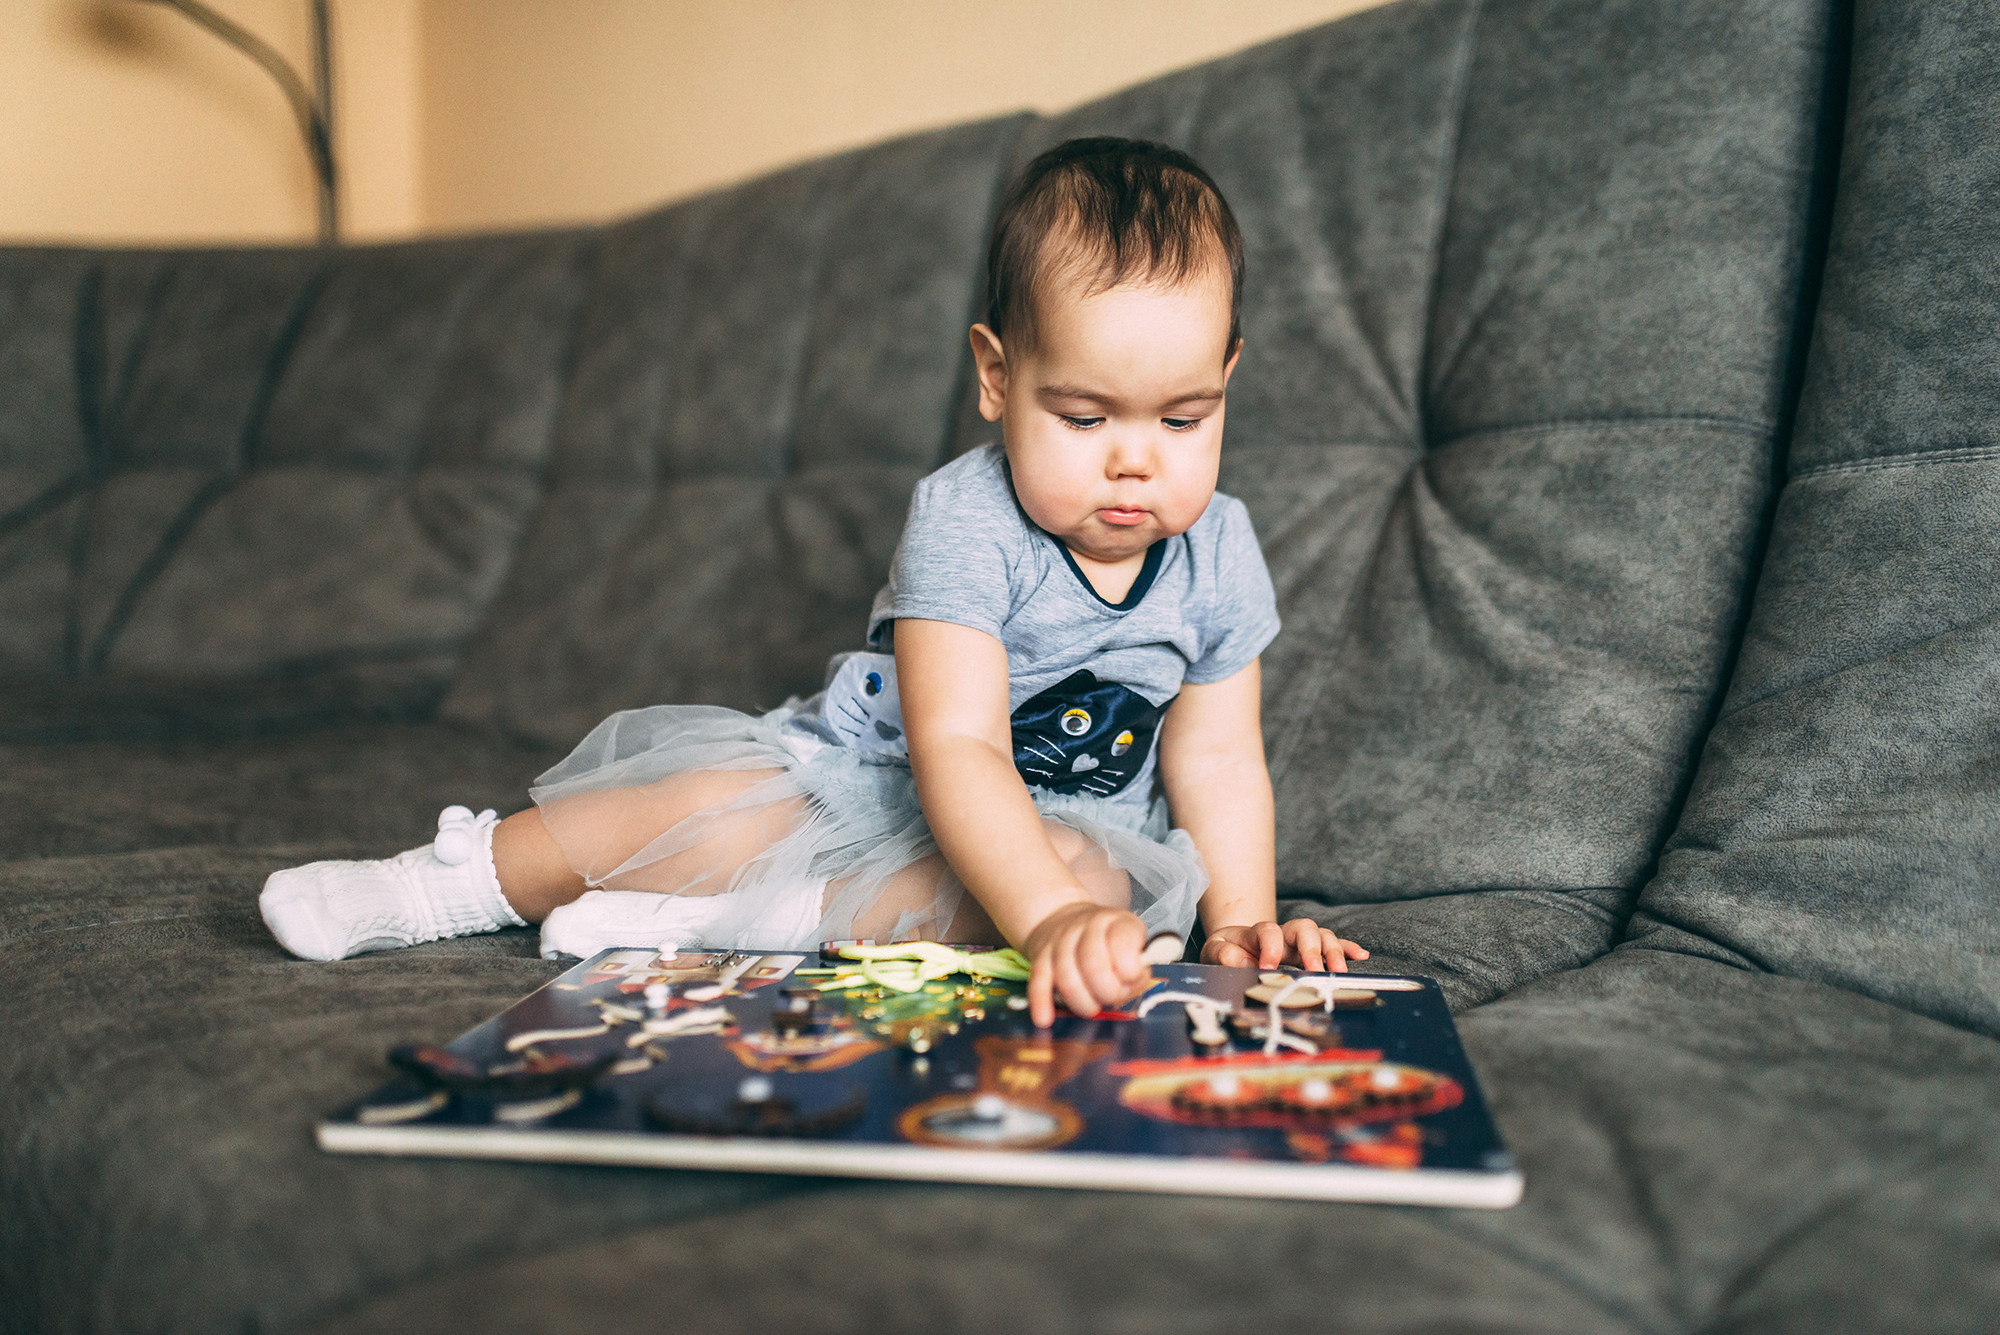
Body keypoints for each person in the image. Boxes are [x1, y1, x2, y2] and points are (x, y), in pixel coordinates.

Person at [261, 136, 1368, 1024]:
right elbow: (959, 749)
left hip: (1069, 833)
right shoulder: (966, 521)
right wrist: (1041, 919)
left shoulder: (1219, 548)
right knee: (701, 810)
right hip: (876, 779)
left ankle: (715, 929)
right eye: (1082, 418)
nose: (1135, 461)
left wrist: (1242, 923)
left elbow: (1217, 758)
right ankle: (437, 884)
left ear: (1226, 380)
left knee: (1110, 897)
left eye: (1183, 418)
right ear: (997, 377)